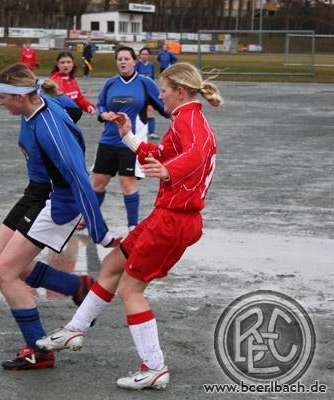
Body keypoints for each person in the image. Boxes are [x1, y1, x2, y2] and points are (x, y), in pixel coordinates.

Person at [37, 62, 223, 390]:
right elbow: (162, 152)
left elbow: (198, 152)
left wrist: (170, 171)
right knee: (112, 264)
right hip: (168, 216)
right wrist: (128, 136)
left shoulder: (190, 119)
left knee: (130, 290)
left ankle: (154, 367)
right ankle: (74, 330)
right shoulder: (184, 118)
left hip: (173, 220)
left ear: (179, 92)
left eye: (163, 91)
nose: (159, 97)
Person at [0, 63, 120, 371]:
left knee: (4, 273)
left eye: (2, 96)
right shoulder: (43, 103)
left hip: (56, 200)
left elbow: (78, 178)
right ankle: (77, 287)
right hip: (35, 193)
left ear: (19, 97)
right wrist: (57, 93)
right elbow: (72, 109)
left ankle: (39, 351)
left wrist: (100, 232)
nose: (0, 102)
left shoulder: (49, 128)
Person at [85, 46, 168, 232]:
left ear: (134, 61)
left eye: (126, 58)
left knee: (127, 182)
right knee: (98, 182)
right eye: (119, 59)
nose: (122, 62)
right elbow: (100, 105)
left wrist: (179, 116)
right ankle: (91, 220)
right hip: (107, 141)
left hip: (131, 143)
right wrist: (103, 114)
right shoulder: (110, 83)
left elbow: (163, 108)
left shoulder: (145, 83)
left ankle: (132, 226)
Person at [49, 51, 95, 116]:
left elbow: (78, 98)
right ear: (58, 64)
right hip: (59, 120)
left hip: (71, 120)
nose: (66, 65)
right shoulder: (53, 81)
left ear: (73, 64)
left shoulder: (72, 80)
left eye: (68, 62)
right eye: (62, 62)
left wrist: (88, 106)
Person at [135, 47, 160, 140]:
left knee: (150, 110)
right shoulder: (136, 65)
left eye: (146, 54)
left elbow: (152, 79)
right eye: (143, 54)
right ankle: (137, 131)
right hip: (138, 91)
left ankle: (151, 132)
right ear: (140, 55)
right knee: (138, 111)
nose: (144, 56)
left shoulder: (151, 65)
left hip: (148, 92)